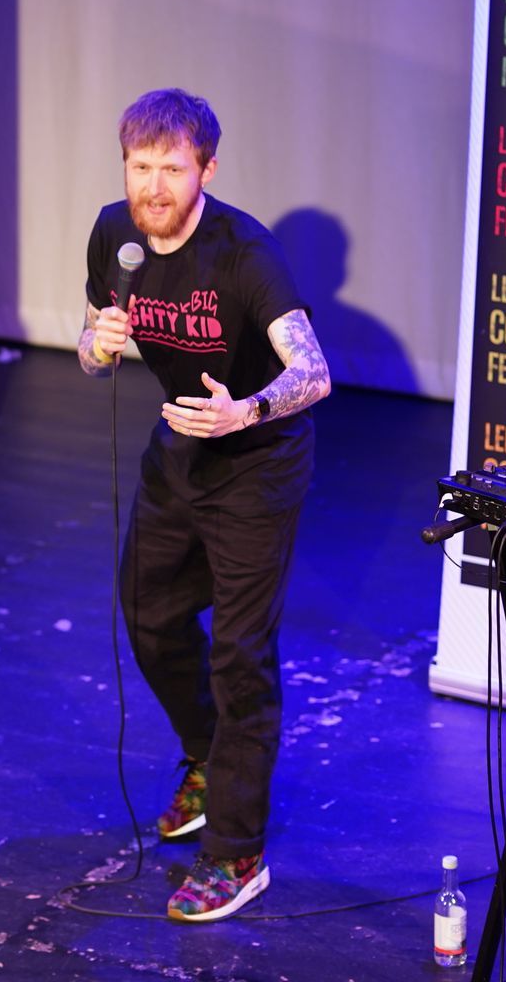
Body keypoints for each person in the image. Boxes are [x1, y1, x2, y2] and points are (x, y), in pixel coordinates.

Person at [79, 88, 332, 922]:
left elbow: (314, 373)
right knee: (148, 615)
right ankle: (205, 756)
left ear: (207, 170)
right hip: (179, 450)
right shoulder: (115, 234)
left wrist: (245, 411)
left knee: (239, 655)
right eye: (140, 166)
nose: (153, 186)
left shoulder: (245, 254)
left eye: (172, 169)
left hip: (256, 463)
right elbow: (92, 344)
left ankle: (235, 851)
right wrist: (95, 347)